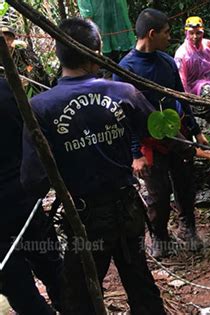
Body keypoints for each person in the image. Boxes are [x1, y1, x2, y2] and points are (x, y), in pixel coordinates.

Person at [21, 17, 166, 314]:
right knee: (141, 285)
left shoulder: (40, 107)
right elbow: (162, 134)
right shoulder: (123, 92)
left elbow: (32, 181)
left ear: (60, 54)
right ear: (96, 51)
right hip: (127, 211)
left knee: (81, 298)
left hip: (84, 219)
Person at [114, 9, 207, 258]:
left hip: (177, 133)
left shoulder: (166, 61)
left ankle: (188, 226)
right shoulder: (125, 69)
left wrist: (196, 132)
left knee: (185, 184)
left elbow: (181, 97)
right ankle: (160, 236)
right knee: (158, 194)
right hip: (149, 142)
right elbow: (125, 117)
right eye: (166, 32)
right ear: (152, 34)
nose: (170, 37)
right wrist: (135, 154)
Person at [0, 74, 62, 314]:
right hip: (25, 196)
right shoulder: (7, 87)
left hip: (20, 200)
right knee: (51, 267)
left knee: (19, 286)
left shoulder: (6, 88)